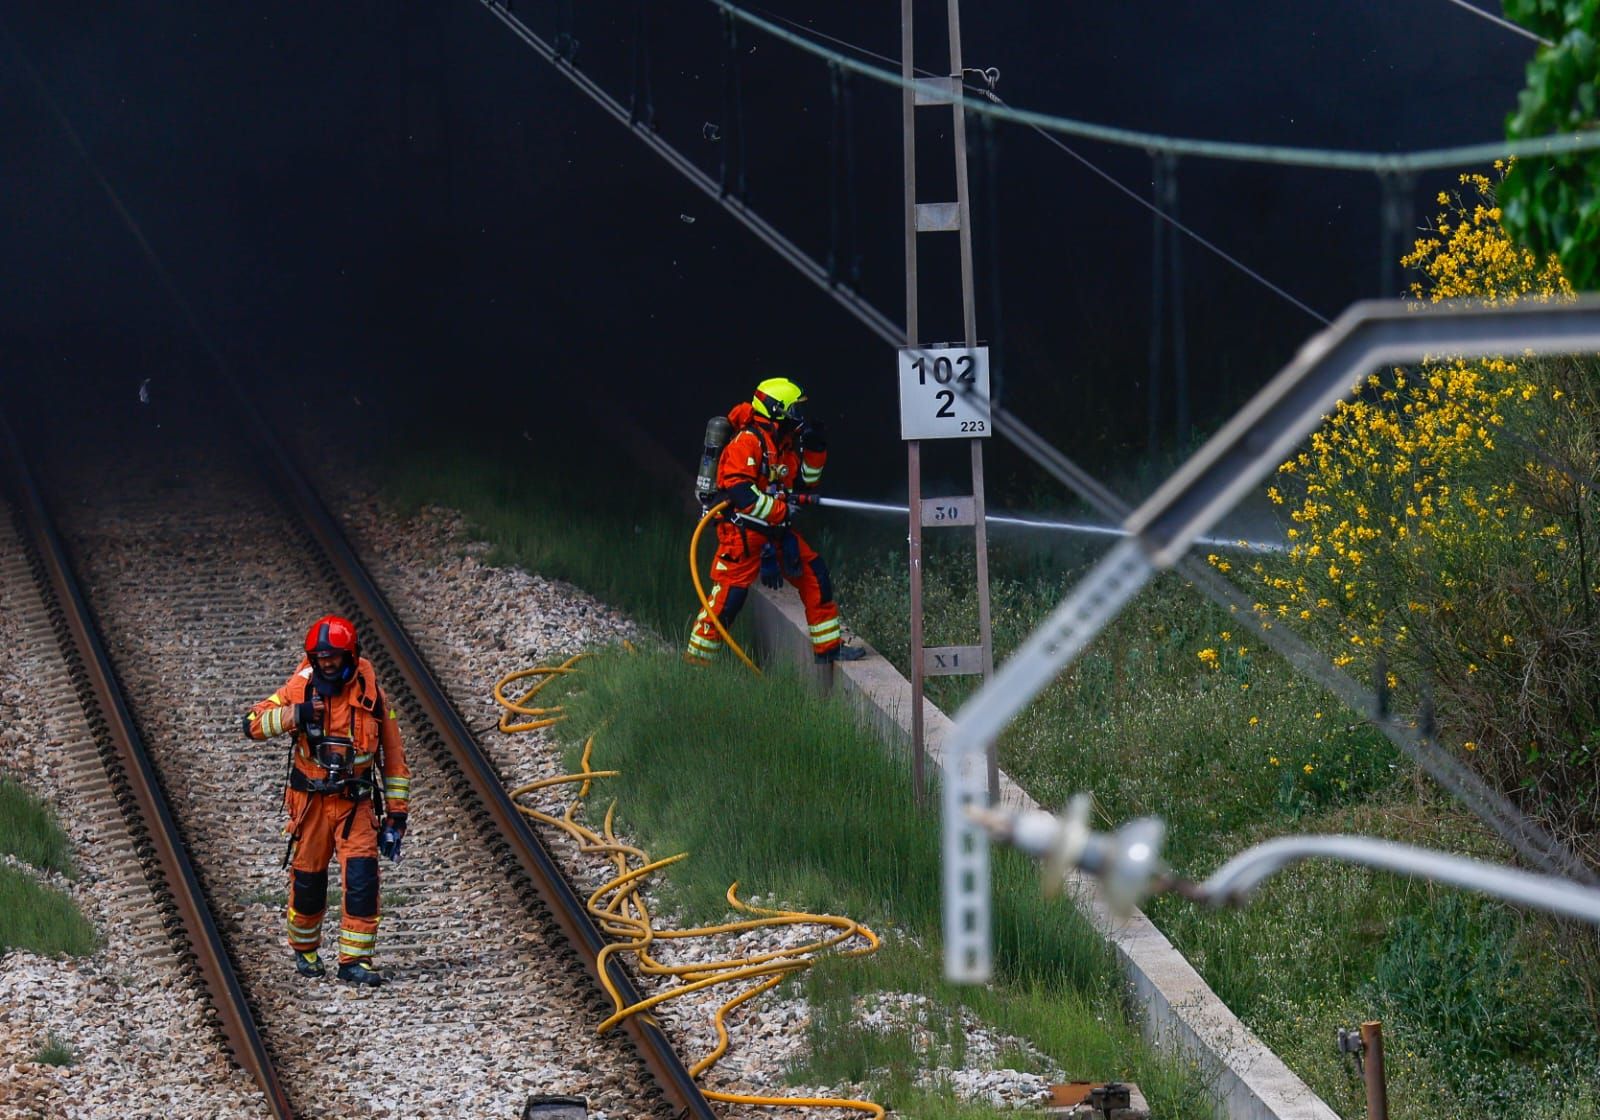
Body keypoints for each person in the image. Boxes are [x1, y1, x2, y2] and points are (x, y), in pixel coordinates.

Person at [242, 615, 412, 986]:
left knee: (362, 880)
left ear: (350, 655)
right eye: (320, 658)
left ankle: (355, 961)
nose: (327, 664)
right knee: (308, 881)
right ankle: (305, 950)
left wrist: (396, 816)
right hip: (311, 804)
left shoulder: (372, 696)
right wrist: (295, 714)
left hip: (356, 804)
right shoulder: (300, 687)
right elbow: (252, 722)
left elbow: (394, 759)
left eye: (333, 657)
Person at [686, 376, 865, 665]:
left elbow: (804, 483)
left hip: (774, 531)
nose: (799, 418)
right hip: (742, 535)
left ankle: (829, 649)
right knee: (729, 600)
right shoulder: (747, 441)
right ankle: (696, 664)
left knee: (815, 574)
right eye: (795, 410)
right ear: (777, 410)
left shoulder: (782, 445)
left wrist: (816, 449)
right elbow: (742, 494)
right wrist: (782, 512)